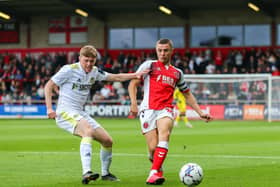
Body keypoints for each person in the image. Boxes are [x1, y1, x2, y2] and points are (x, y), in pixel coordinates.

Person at [44, 45, 149, 184]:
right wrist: (49, 108)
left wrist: (136, 75)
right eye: (85, 60)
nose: (88, 64)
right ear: (80, 58)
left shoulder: (94, 72)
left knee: (107, 141)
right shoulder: (69, 70)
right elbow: (49, 85)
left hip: (80, 112)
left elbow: (116, 77)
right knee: (88, 130)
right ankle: (86, 172)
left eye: (91, 61)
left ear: (95, 61)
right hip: (65, 111)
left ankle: (105, 174)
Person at [128, 39, 213, 185]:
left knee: (165, 134)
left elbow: (187, 93)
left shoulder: (177, 73)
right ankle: (157, 167)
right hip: (147, 110)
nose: (162, 53)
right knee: (153, 149)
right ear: (156, 50)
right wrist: (133, 103)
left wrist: (200, 112)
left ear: (171, 51)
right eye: (160, 50)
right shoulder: (149, 65)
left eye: (165, 50)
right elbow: (133, 83)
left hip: (165, 110)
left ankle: (153, 173)